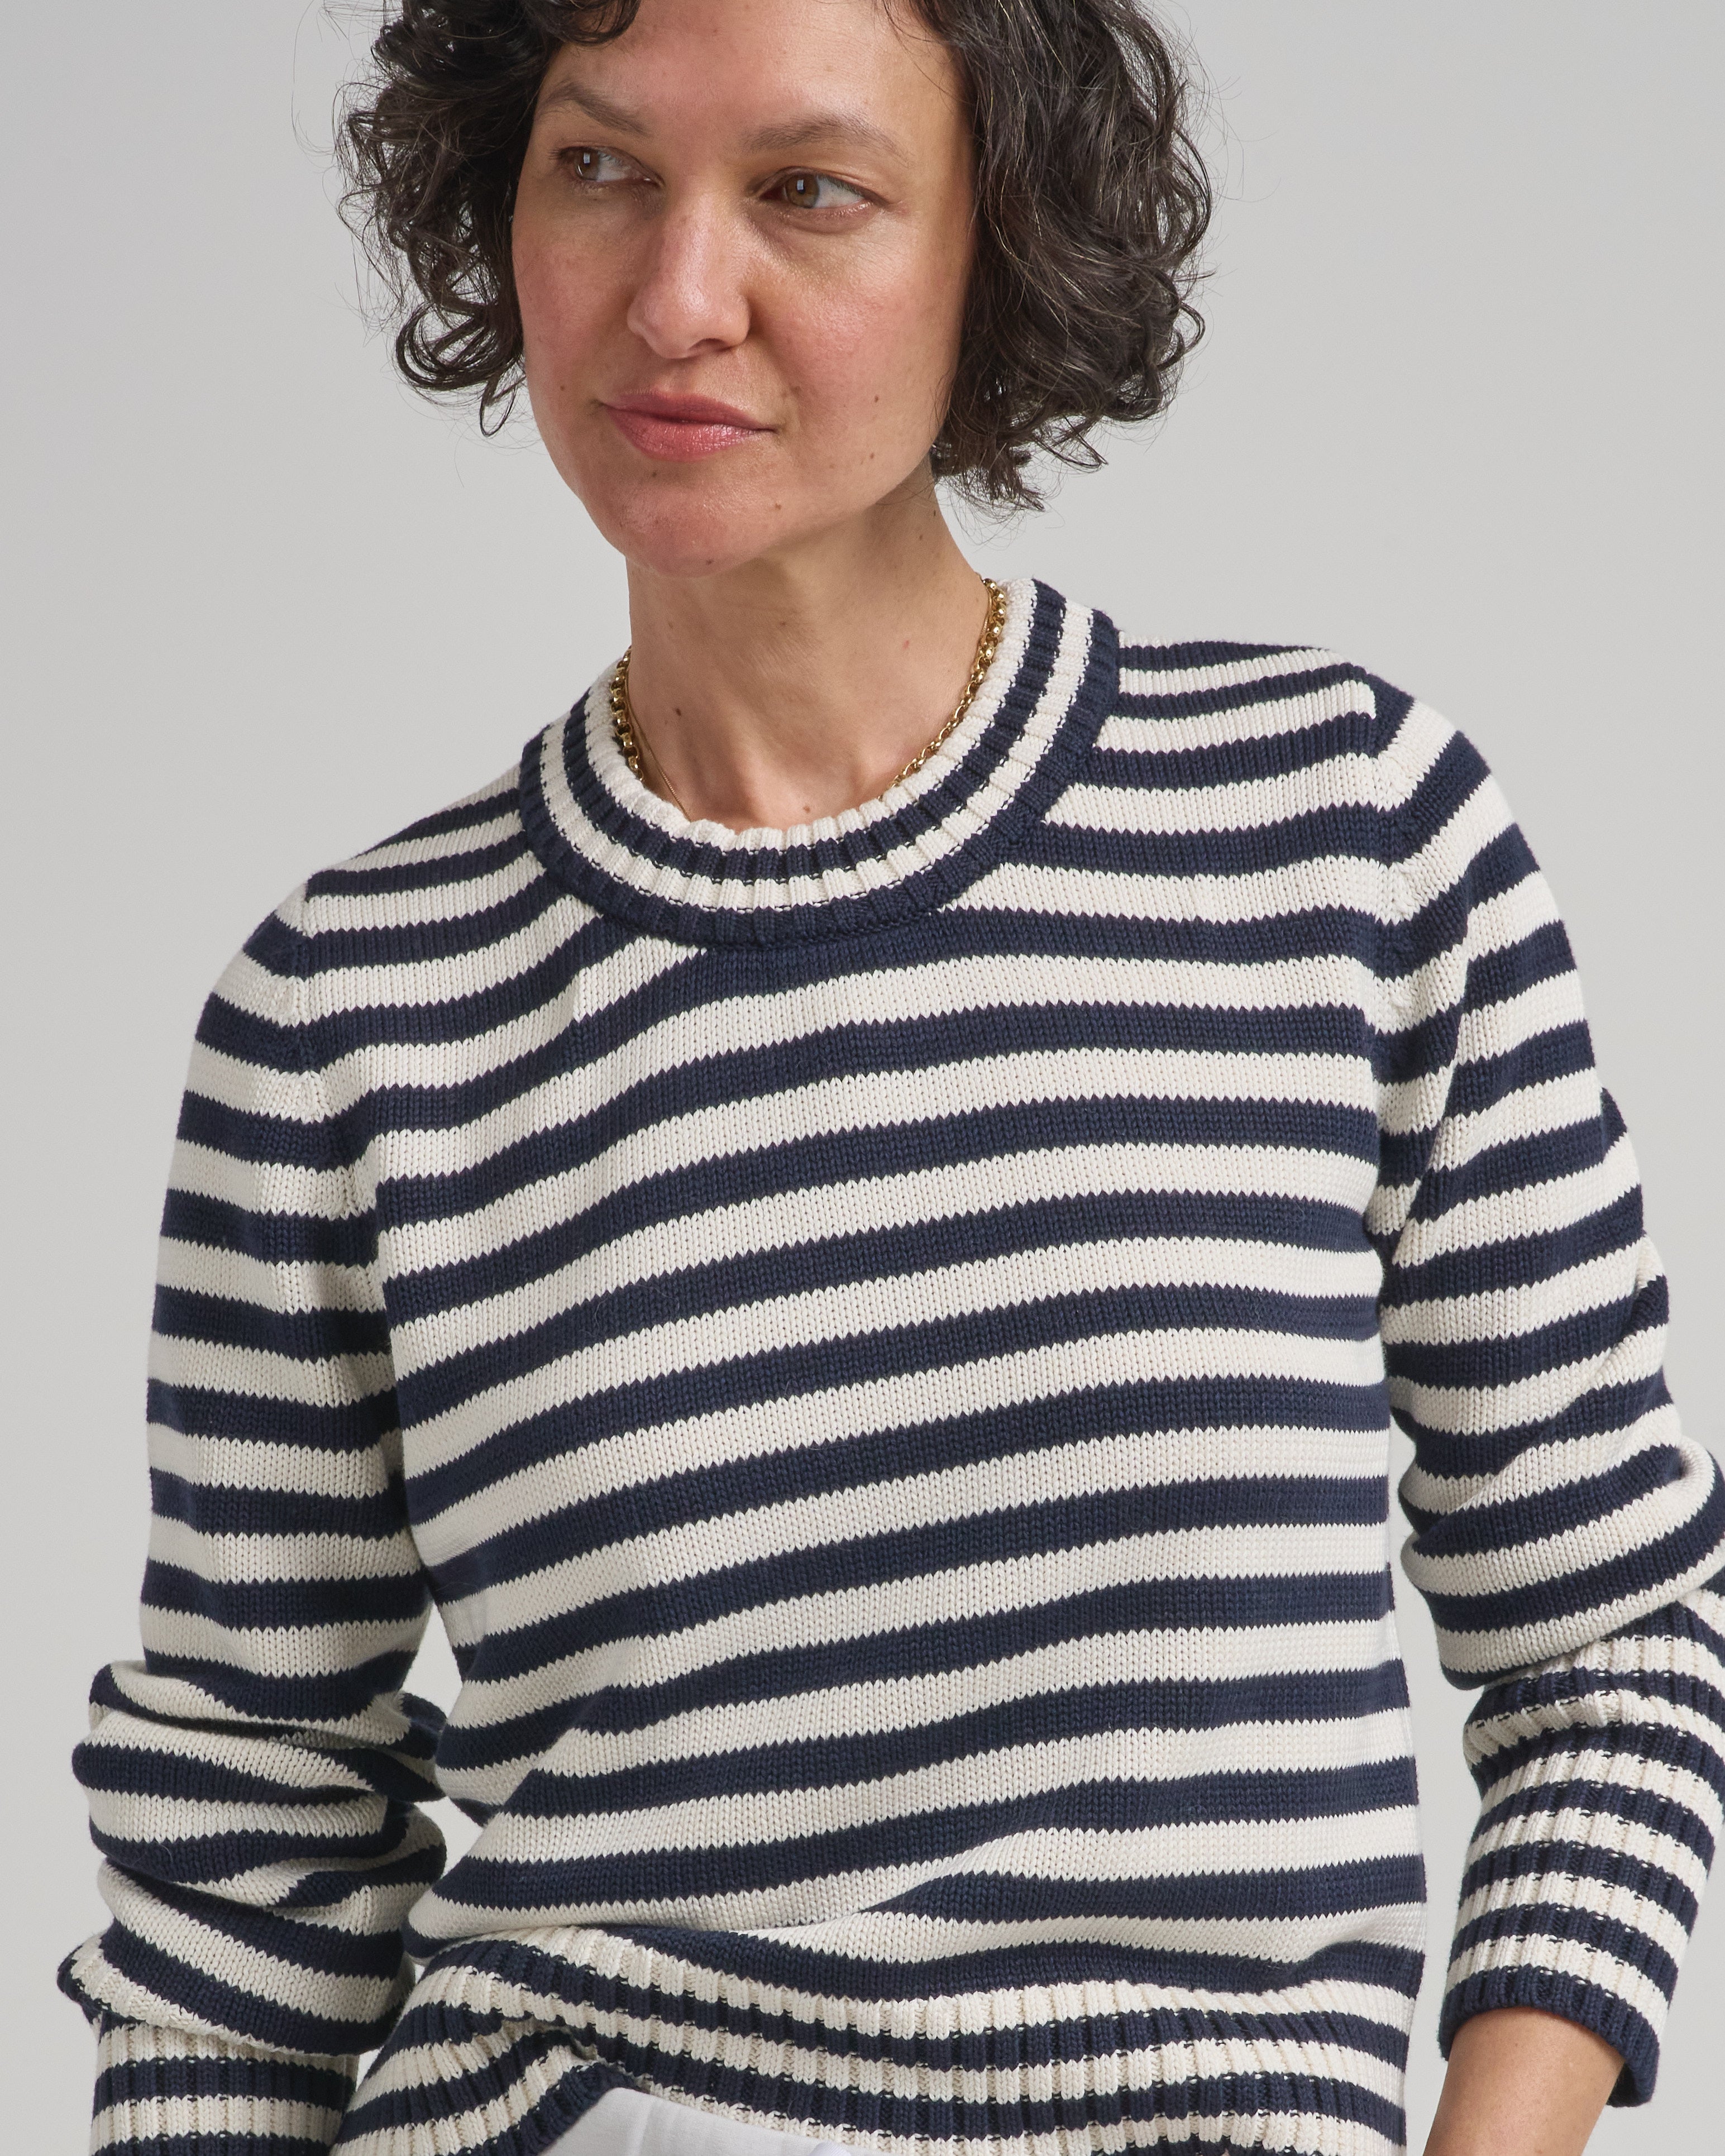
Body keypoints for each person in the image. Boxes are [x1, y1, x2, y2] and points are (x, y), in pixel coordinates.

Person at [59, 2, 1725, 2153]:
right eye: (598, 168)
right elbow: (240, 1858)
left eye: (807, 190)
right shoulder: (347, 1006)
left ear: (995, 249)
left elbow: (1610, 1650)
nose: (678, 295)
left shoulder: (1341, 838)